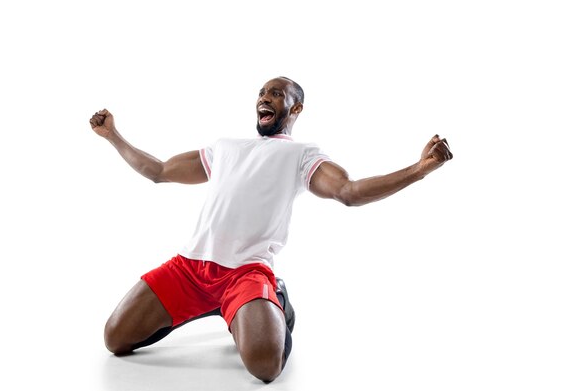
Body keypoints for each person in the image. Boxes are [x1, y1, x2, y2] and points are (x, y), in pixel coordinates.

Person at [89, 76, 453, 383]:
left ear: (295, 109)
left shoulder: (302, 155)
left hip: (247, 272)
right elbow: (159, 171)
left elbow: (349, 192)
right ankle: (214, 308)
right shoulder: (225, 148)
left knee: (265, 368)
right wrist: (113, 135)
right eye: (262, 93)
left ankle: (274, 300)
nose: (265, 98)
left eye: (277, 94)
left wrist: (418, 170)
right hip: (190, 269)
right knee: (115, 339)